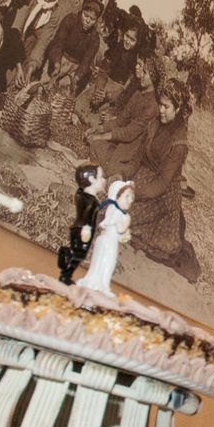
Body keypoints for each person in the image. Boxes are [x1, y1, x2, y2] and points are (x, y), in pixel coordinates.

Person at [128, 80, 202, 283]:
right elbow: (138, 158)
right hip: (145, 178)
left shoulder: (179, 143)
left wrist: (134, 192)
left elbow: (161, 183)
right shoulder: (154, 124)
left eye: (166, 107)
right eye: (160, 104)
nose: (160, 110)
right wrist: (124, 177)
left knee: (124, 218)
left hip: (163, 193)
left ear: (178, 109)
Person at [77, 180, 134, 295]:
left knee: (108, 263)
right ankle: (92, 282)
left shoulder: (126, 216)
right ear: (117, 196)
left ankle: (103, 285)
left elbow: (121, 231)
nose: (130, 200)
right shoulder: (112, 209)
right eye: (127, 196)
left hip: (111, 242)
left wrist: (124, 232)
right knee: (98, 262)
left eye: (132, 197)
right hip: (105, 241)